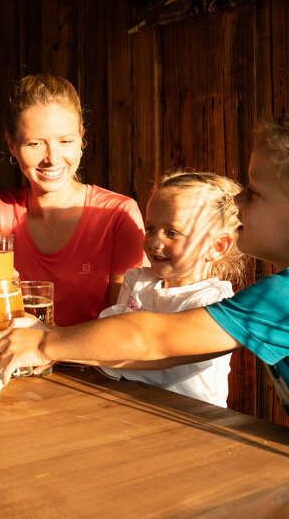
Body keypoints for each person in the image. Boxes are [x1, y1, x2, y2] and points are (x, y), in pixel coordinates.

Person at [0, 107, 289, 519]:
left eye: (254, 194)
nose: (237, 204)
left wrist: (44, 342)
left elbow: (153, 340)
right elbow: (158, 349)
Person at [0, 74, 145, 326]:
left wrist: (49, 345)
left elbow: (127, 327)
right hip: (17, 364)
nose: (52, 159)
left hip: (95, 366)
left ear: (81, 137)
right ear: (11, 144)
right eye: (34, 144)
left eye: (65, 141)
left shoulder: (119, 215)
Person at [99, 171, 247, 408]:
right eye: (150, 229)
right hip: (131, 410)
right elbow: (108, 331)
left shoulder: (213, 303)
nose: (155, 242)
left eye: (172, 233)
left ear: (217, 246)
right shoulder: (137, 281)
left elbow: (154, 359)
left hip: (192, 421)